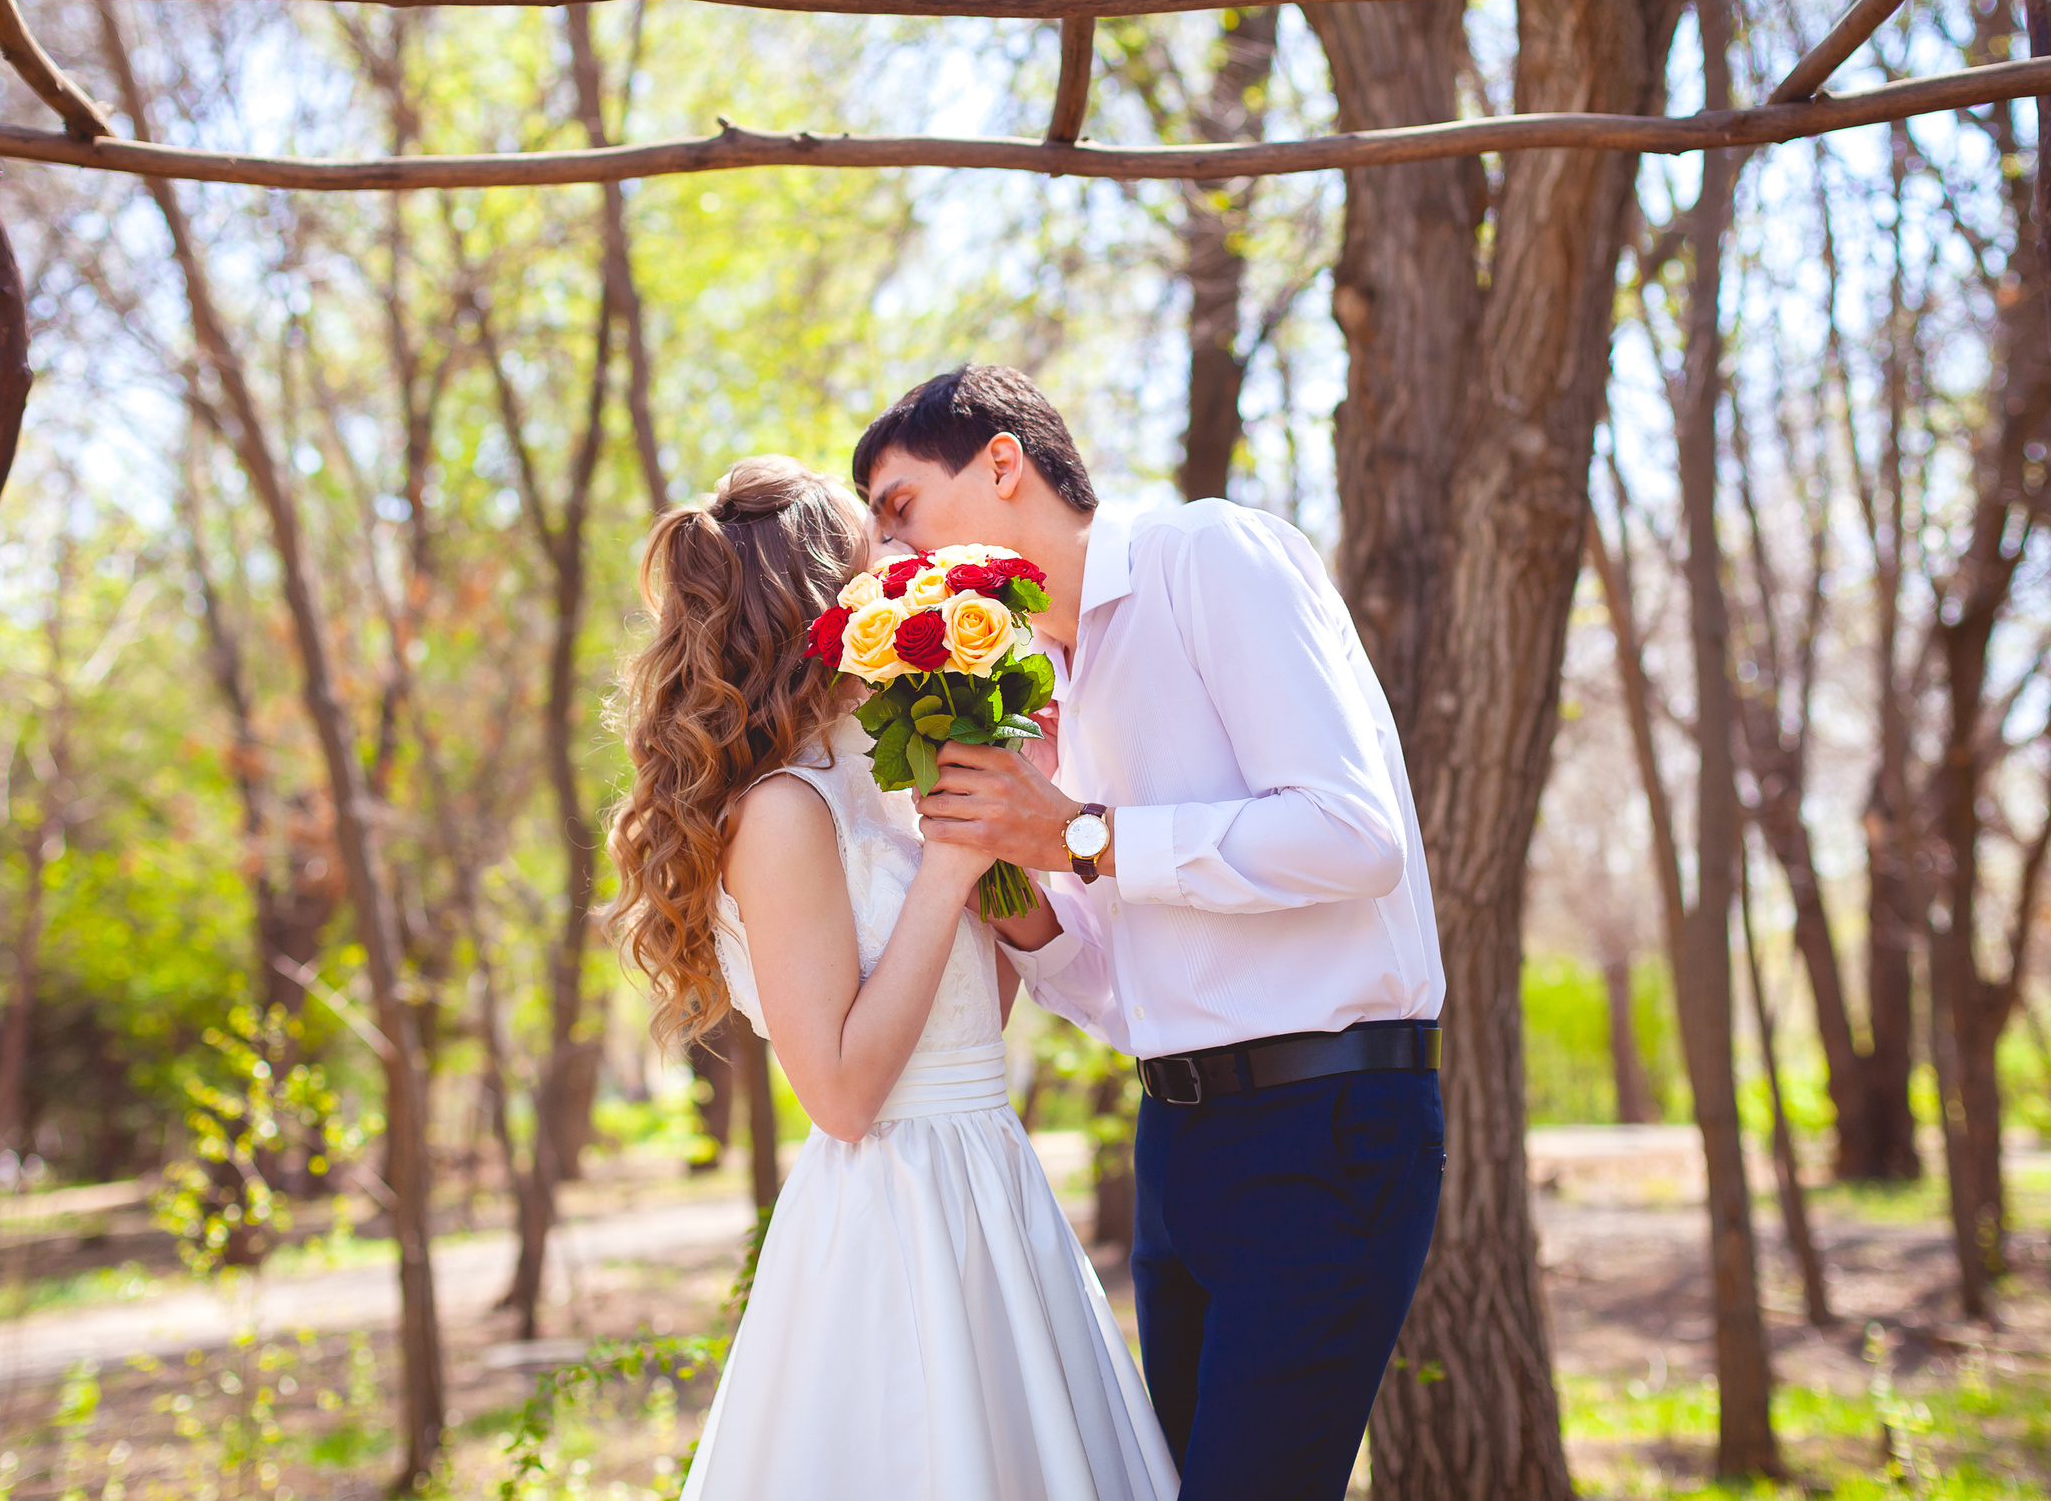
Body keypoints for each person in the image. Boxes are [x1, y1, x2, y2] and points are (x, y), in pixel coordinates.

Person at [859, 365, 1446, 1501]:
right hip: (1179, 1146)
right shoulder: (1053, 688)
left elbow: (1352, 836)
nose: (888, 558)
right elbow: (1125, 986)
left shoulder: (1207, 557)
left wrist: (1080, 833)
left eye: (899, 508)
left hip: (1323, 1130)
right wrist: (1017, 885)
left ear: (1000, 462)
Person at [608, 454, 1177, 1501]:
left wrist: (1007, 831)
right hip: (893, 1212)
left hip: (993, 1186)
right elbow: (839, 1095)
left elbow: (970, 1016)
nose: (913, 573)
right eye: (885, 562)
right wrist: (949, 872)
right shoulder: (785, 810)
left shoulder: (891, 778)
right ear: (826, 606)